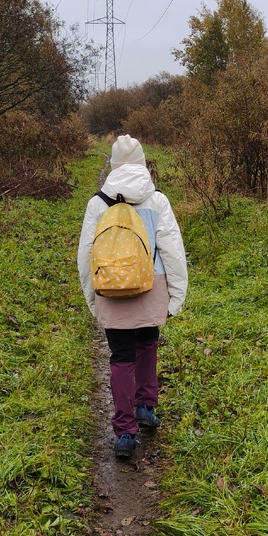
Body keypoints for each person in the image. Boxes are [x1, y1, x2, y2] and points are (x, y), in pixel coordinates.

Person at [77, 135, 188, 459]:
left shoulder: (98, 204)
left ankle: (125, 432)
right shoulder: (157, 201)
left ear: (113, 165)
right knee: (148, 343)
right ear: (142, 163)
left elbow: (85, 254)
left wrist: (91, 297)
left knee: (120, 355)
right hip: (151, 285)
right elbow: (172, 250)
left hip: (111, 287)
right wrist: (177, 294)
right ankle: (146, 407)